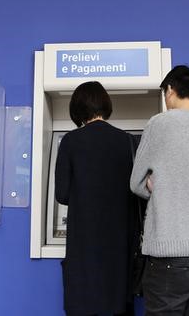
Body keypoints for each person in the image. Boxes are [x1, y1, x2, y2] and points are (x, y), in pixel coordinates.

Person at [130, 65, 189, 316]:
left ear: (170, 90)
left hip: (173, 254)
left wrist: (159, 185)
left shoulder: (160, 124)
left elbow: (136, 182)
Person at [55, 81, 138, 316]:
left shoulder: (70, 141)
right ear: (105, 105)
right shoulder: (128, 141)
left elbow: (62, 194)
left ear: (78, 108)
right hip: (120, 248)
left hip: (84, 249)